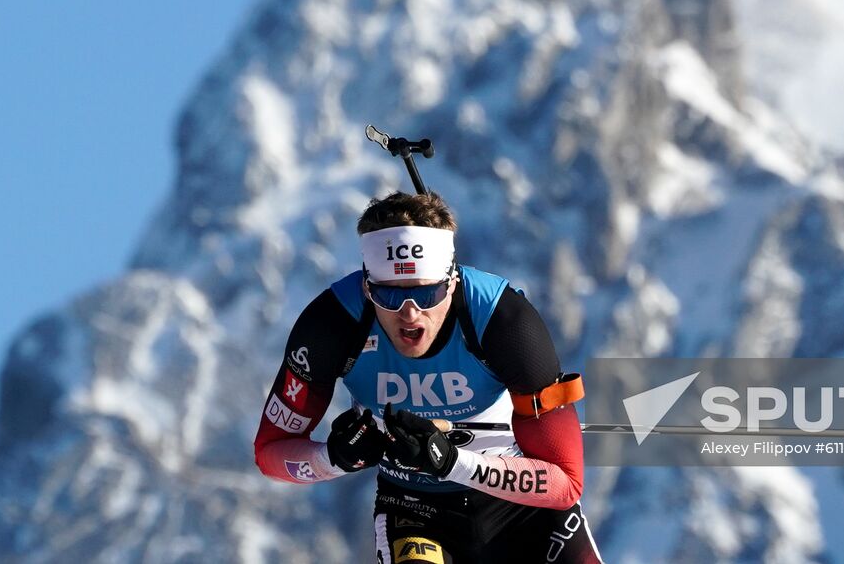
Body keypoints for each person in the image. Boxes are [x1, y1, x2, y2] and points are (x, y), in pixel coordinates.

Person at [253, 191, 602, 563]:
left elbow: (566, 483)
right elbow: (270, 453)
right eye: (389, 296)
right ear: (367, 288)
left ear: (451, 282)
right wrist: (335, 457)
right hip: (414, 513)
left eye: (427, 293)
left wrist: (452, 462)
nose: (410, 314)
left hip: (522, 508)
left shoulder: (504, 322)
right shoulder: (333, 325)